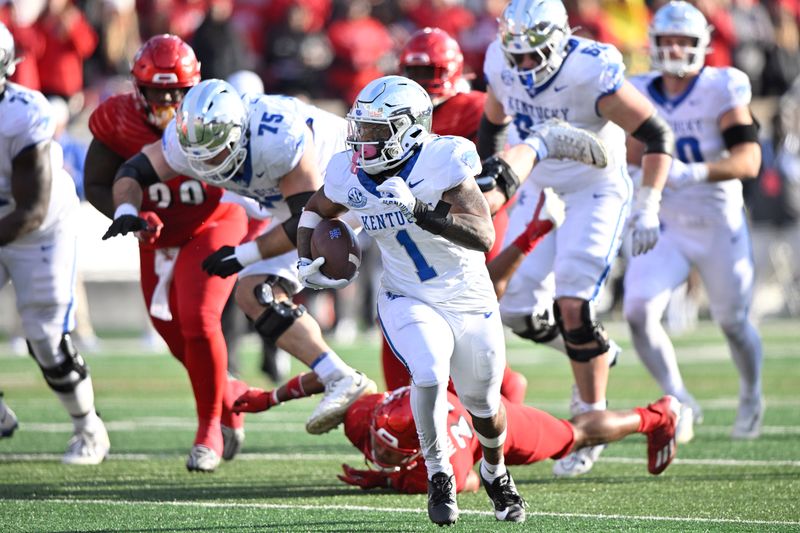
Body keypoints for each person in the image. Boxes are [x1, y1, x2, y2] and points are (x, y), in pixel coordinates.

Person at [295, 75, 607, 525]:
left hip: (467, 296)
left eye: (375, 132)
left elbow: (483, 235)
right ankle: (439, 471)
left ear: (408, 130)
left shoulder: (442, 160)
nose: (362, 141)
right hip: (407, 294)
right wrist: (307, 257)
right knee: (428, 373)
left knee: (485, 406)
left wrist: (421, 210)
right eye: (360, 129)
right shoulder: (348, 171)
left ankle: (496, 470)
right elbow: (314, 209)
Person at [100, 78, 376, 438]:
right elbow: (132, 171)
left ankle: (347, 377)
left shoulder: (275, 139)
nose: (206, 163)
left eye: (215, 151)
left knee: (263, 281)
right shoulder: (188, 140)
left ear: (239, 133)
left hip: (344, 182)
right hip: (289, 202)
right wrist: (124, 206)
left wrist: (244, 254)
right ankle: (338, 376)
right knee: (254, 294)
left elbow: (308, 220)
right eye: (197, 154)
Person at [478, 0, 674, 477]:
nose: (523, 66)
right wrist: (490, 179)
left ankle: (592, 414)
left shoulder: (589, 71)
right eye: (516, 56)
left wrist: (649, 201)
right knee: (513, 308)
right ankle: (594, 349)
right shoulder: (498, 63)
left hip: (596, 188)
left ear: (560, 41)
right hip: (541, 185)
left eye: (533, 55)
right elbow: (493, 123)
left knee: (573, 305)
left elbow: (656, 133)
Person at [84, 35, 250, 473]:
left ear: (193, 86)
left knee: (199, 319)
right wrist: (133, 214)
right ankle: (229, 395)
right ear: (137, 88)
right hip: (157, 236)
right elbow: (97, 183)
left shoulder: (213, 108)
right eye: (157, 91)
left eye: (176, 90)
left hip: (215, 221)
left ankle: (209, 429)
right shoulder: (116, 119)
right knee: (173, 334)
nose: (167, 100)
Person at [623, 1, 764, 442]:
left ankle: (751, 393)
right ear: (653, 43)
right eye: (667, 40)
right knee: (638, 310)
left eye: (684, 40)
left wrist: (695, 171)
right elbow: (629, 154)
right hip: (666, 223)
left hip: (717, 220)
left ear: (701, 43)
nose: (676, 48)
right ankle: (679, 397)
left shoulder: (721, 87)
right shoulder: (639, 88)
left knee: (733, 322)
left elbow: (750, 159)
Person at [233, 383, 680, 494]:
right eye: (382, 445)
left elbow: (465, 482)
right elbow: (335, 378)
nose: (382, 455)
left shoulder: (444, 452)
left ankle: (656, 416)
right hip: (450, 396)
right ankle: (507, 384)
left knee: (572, 436)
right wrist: (277, 395)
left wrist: (390, 481)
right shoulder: (363, 414)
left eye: (393, 451)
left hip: (487, 430)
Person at [0, 21, 110, 464]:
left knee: (45, 336)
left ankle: (90, 430)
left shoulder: (23, 115)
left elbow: (31, 210)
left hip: (39, 226)